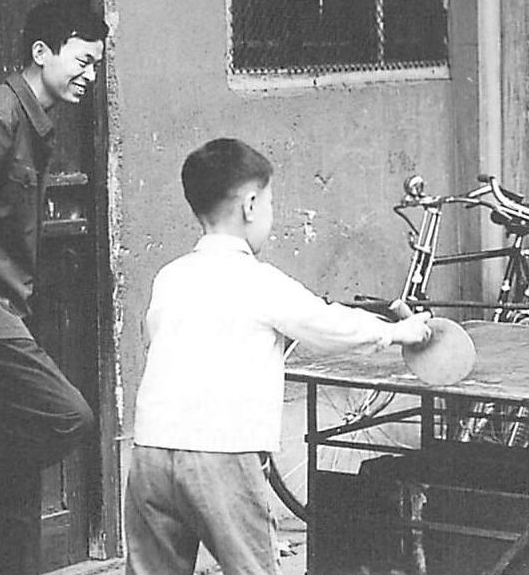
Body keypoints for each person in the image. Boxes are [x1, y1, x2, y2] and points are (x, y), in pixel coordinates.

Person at [124, 138, 432, 575]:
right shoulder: (259, 281)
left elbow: (157, 337)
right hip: (222, 453)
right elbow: (328, 324)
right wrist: (398, 332)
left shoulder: (170, 277)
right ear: (251, 205)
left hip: (151, 450)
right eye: (270, 202)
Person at [0, 0, 107, 574]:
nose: (90, 75)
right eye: (81, 61)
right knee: (69, 417)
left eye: (96, 65)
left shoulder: (34, 123)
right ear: (41, 52)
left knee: (11, 482)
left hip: (6, 312)